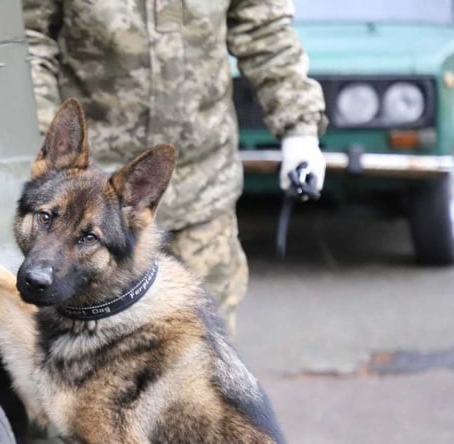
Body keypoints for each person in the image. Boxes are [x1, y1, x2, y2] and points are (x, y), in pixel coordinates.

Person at [23, 0, 327, 335]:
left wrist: (300, 129)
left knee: (204, 343)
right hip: (90, 206)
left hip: (201, 191)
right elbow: (30, 38)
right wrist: (49, 151)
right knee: (82, 354)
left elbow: (264, 31)